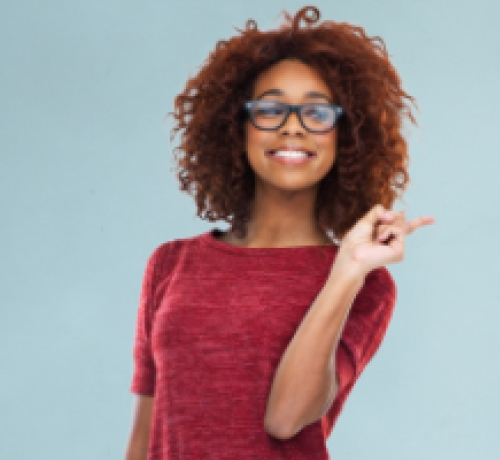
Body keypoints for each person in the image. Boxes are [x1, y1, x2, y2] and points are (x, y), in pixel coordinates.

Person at [123, 6, 434, 459]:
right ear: (238, 126)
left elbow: (286, 418)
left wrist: (347, 271)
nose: (292, 126)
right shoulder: (171, 264)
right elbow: (142, 441)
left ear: (344, 136)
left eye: (316, 112)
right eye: (270, 109)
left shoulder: (366, 285)